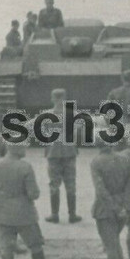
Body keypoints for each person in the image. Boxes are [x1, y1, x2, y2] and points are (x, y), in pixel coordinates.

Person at [91, 140, 130, 259]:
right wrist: (125, 206)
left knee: (111, 247)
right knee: (115, 242)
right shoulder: (125, 159)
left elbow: (100, 190)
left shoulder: (96, 162)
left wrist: (114, 207)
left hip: (105, 210)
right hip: (122, 209)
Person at [44, 88, 81, 224]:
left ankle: (55, 215)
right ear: (65, 98)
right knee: (70, 184)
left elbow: (44, 133)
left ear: (52, 98)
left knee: (54, 184)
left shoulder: (47, 115)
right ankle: (72, 215)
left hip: (53, 153)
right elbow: (77, 132)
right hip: (69, 152)